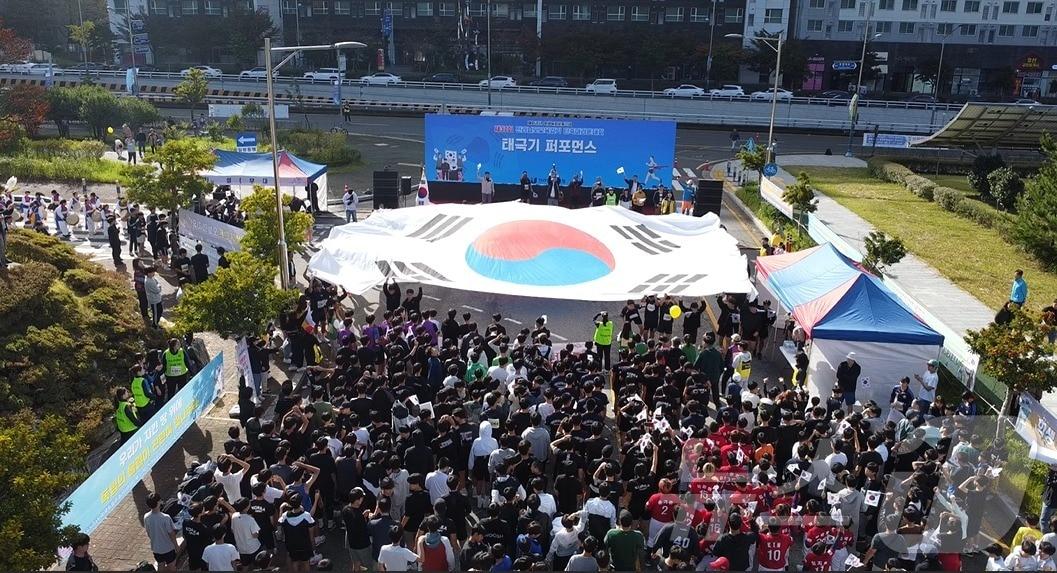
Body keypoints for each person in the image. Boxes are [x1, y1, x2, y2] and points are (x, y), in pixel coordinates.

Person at [143, 492, 179, 572]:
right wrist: (176, 546)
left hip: (156, 548)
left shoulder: (146, 517)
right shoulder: (165, 518)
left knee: (160, 564)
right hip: (168, 548)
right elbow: (171, 534)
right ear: (158, 502)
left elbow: (148, 532)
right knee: (171, 565)